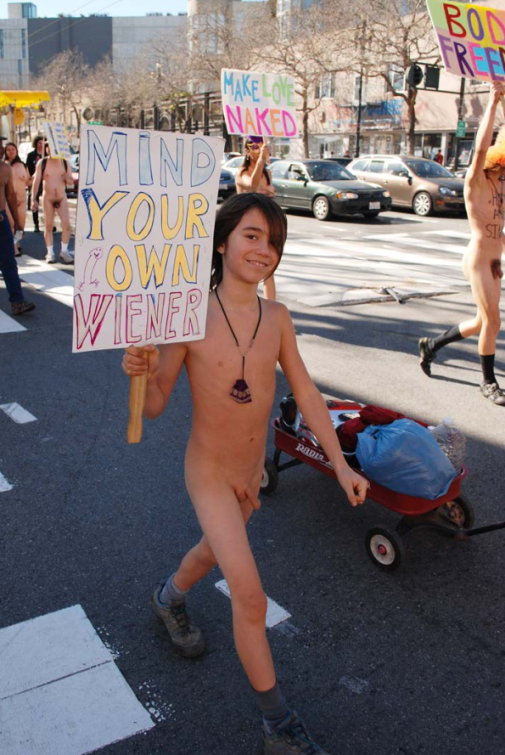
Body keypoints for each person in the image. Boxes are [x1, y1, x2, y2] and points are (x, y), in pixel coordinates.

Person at [122, 193, 368, 754]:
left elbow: (306, 392)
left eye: (274, 241)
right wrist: (141, 371)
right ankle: (278, 725)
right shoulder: (187, 315)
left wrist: (340, 464)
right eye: (252, 236)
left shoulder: (276, 317)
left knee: (212, 550)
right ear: (221, 242)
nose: (264, 249)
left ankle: (168, 596)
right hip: (208, 472)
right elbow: (154, 404)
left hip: (250, 475)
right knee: (250, 598)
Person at [419, 81, 505, 406]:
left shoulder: (501, 185)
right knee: (493, 322)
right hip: (478, 259)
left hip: (494, 261)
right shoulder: (476, 181)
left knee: (483, 322)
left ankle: (432, 345)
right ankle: (488, 382)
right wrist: (493, 102)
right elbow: (481, 149)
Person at [235, 136, 277, 300]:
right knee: (245, 268)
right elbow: (252, 186)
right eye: (254, 147)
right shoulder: (242, 172)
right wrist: (261, 161)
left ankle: (271, 305)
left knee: (269, 268)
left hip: (266, 222)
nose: (258, 150)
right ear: (247, 150)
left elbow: (271, 192)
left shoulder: (267, 173)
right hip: (246, 225)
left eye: (261, 146)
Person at [0, 137, 35, 316]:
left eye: (1, 145)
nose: (1, 148)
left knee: (9, 262)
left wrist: (18, 222)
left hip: (2, 220)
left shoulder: (5, 169)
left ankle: (17, 302)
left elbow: (10, 196)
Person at [31, 152, 74, 264]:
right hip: (48, 198)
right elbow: (36, 181)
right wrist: (33, 198)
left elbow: (70, 182)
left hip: (61, 197)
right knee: (49, 226)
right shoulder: (43, 162)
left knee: (66, 225)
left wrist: (67, 177)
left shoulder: (65, 163)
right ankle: (50, 252)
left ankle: (64, 251)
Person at [4, 142, 29, 256]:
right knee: (11, 224)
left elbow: (28, 181)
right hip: (8, 200)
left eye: (13, 149)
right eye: (8, 149)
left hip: (22, 199)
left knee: (20, 225)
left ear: (17, 151)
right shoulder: (4, 165)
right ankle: (14, 248)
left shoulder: (23, 165)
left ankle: (15, 242)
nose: (11, 151)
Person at [26, 136, 45, 232]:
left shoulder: (47, 155)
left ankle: (49, 222)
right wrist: (30, 179)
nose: (41, 145)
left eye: (42, 143)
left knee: (48, 202)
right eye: (39, 143)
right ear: (36, 144)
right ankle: (36, 224)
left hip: (45, 181)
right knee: (34, 200)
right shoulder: (31, 155)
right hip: (35, 180)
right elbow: (28, 168)